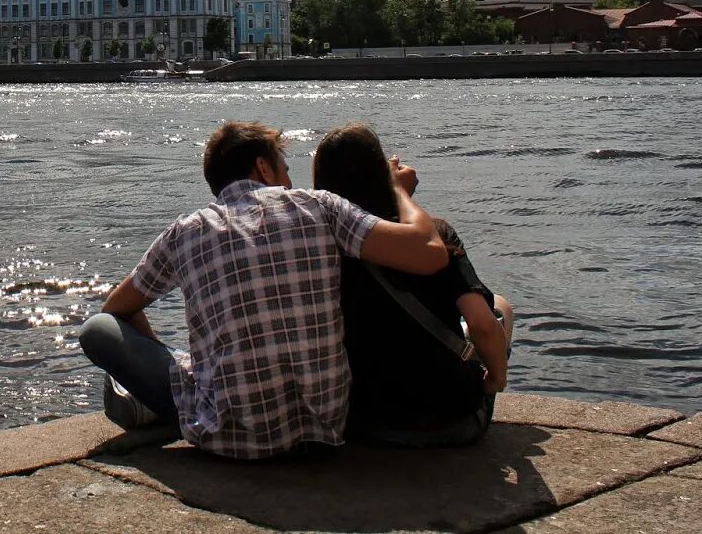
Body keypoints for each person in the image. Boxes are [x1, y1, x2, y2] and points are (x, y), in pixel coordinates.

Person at [79, 121, 448, 460]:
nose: (289, 183)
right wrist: (398, 191)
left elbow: (117, 309)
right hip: (324, 431)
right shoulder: (319, 206)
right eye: (285, 171)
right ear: (263, 168)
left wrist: (168, 362)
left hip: (229, 440)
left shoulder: (184, 232)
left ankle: (163, 406)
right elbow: (429, 254)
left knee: (97, 330)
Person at [311, 123, 513, 446]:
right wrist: (494, 381)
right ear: (381, 177)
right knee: (500, 306)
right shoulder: (436, 235)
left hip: (362, 421)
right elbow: (482, 325)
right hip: (449, 421)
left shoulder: (323, 249)